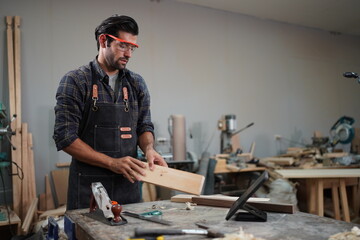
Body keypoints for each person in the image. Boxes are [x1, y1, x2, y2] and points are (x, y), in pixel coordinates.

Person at [53, 15, 167, 210]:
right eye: (123, 46)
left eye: (132, 48)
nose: (129, 54)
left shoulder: (136, 83)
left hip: (128, 190)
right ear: (103, 40)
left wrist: (148, 148)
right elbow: (65, 137)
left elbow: (144, 126)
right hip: (88, 192)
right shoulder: (76, 81)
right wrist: (111, 163)